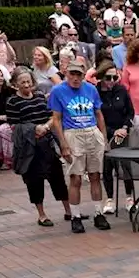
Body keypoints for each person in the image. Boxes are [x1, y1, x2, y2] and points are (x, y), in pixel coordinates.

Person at [50, 55, 109, 233]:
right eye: (72, 74)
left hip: (91, 131)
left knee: (95, 175)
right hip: (72, 133)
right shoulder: (58, 91)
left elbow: (98, 113)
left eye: (79, 74)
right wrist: (63, 143)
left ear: (84, 75)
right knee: (75, 177)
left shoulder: (91, 89)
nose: (76, 78)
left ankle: (99, 212)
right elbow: (56, 119)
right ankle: (75, 216)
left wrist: (103, 138)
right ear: (67, 73)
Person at [7, 68, 72, 226]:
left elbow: (52, 116)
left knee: (57, 177)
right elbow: (14, 126)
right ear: (15, 84)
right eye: (23, 82)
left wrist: (46, 127)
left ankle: (69, 210)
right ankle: (41, 214)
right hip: (29, 147)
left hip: (47, 143)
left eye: (29, 81)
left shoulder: (40, 96)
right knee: (34, 181)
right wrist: (33, 129)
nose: (27, 85)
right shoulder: (12, 102)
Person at [95, 63, 136, 216]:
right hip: (104, 134)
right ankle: (110, 199)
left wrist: (124, 128)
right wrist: (111, 132)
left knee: (126, 166)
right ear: (101, 77)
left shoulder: (121, 90)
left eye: (115, 77)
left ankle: (129, 197)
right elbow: (96, 115)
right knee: (107, 167)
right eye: (108, 77)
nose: (112, 80)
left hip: (123, 133)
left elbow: (130, 111)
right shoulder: (96, 92)